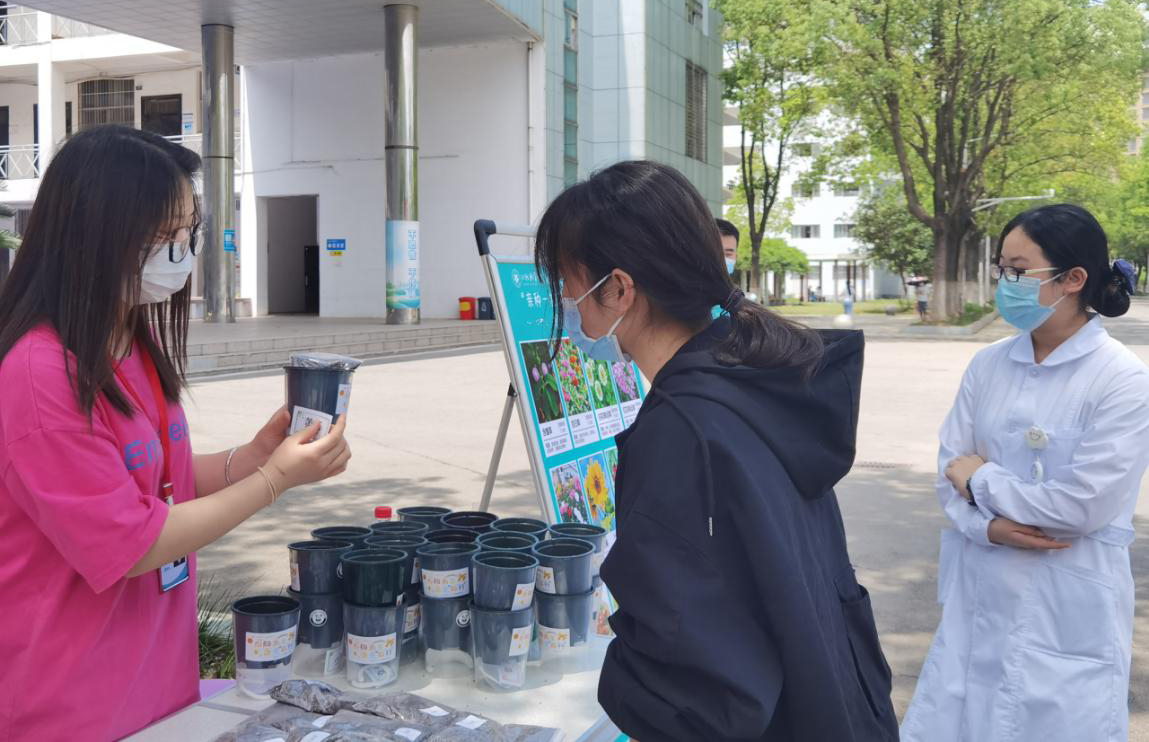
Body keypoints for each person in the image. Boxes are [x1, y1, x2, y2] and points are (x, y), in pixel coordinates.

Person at [0, 126, 352, 741]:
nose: (182, 254)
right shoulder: (39, 376)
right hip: (73, 708)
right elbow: (134, 544)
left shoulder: (128, 337)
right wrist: (273, 482)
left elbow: (159, 480)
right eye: (164, 236)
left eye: (188, 233)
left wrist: (253, 457)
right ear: (95, 234)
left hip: (158, 690)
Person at [535, 160, 898, 741]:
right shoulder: (756, 378)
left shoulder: (682, 430)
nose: (569, 306)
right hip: (834, 704)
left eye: (568, 288)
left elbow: (696, 690)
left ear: (619, 289)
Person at [901, 204, 1149, 742]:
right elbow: (949, 469)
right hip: (980, 591)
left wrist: (982, 482)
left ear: (1073, 279)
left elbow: (1080, 507)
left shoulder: (1121, 380)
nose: (1005, 284)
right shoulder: (988, 365)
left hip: (1067, 604)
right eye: (1002, 270)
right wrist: (987, 526)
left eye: (1018, 271)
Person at [713, 219, 740, 319]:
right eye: (716, 253)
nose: (722, 259)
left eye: (728, 254)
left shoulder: (739, 303)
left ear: (736, 256)